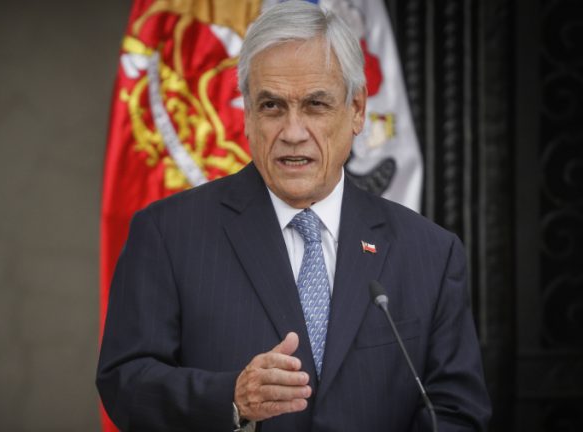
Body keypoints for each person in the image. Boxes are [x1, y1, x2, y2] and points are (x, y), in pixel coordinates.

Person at [96, 2, 491, 431]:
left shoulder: (429, 253)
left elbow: (457, 412)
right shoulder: (168, 234)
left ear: (357, 110)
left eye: (316, 105)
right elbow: (125, 384)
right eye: (272, 106)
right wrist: (231, 399)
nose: (293, 132)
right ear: (247, 114)